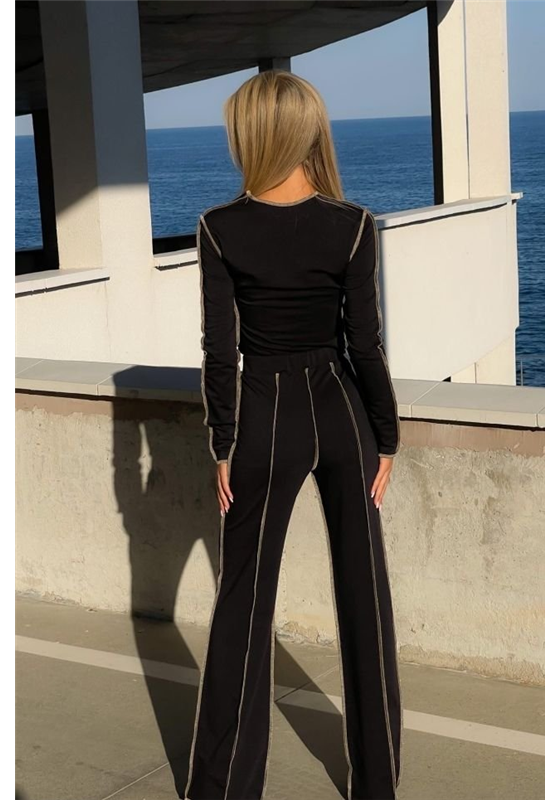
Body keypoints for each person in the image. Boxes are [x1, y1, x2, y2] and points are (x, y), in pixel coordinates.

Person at [187, 71, 402, 800]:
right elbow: (365, 346)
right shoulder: (355, 225)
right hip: (342, 411)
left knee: (242, 608)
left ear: (252, 134)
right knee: (365, 602)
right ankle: (378, 785)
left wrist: (223, 444)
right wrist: (387, 438)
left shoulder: (220, 227)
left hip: (262, 415)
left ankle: (223, 790)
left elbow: (220, 351)